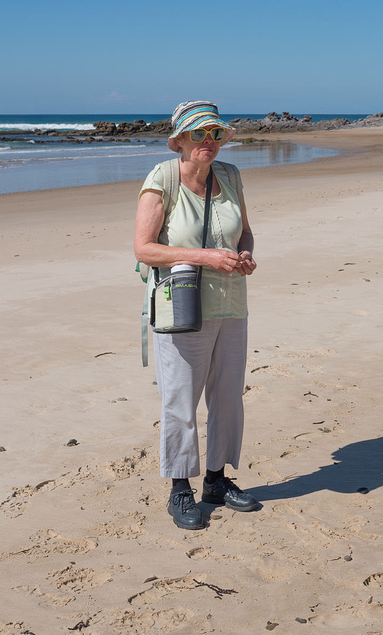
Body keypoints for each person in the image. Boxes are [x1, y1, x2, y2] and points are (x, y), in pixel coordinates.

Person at [134, 101, 259, 530]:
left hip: (231, 303)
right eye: (199, 135)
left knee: (227, 397)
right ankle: (180, 490)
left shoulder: (230, 176)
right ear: (181, 141)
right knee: (181, 402)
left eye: (215, 135)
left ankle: (217, 480)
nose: (209, 142)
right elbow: (144, 249)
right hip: (182, 305)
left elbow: (244, 230)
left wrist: (244, 255)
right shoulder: (163, 179)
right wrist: (205, 256)